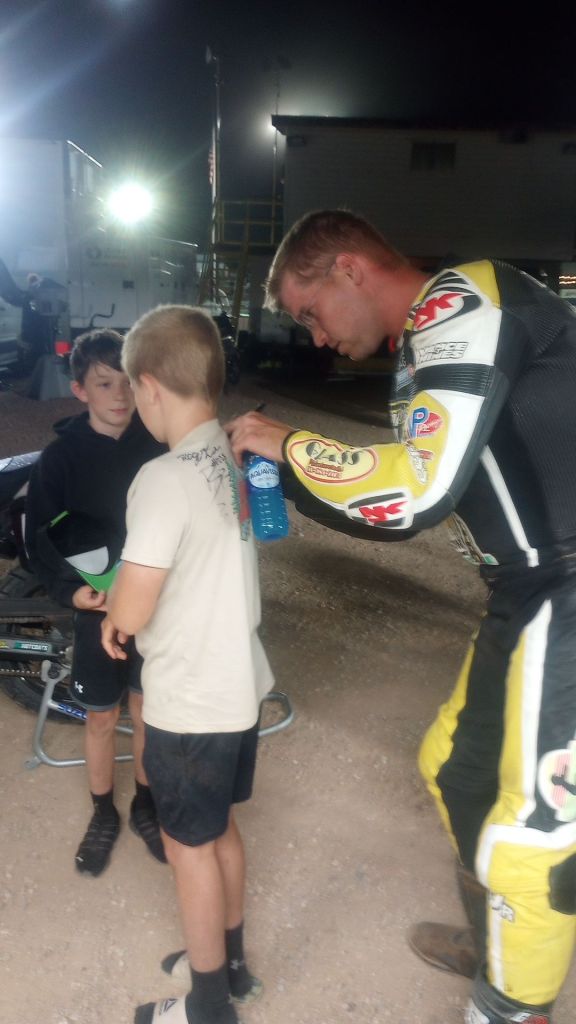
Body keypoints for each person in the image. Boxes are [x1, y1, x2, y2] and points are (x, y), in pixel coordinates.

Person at [224, 209, 576, 1024]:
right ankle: (501, 939)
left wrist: (291, 443)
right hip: (528, 591)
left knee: (532, 839)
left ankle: (512, 1004)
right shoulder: (419, 352)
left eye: (308, 311)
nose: (312, 336)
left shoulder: (465, 297)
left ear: (349, 269)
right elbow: (399, 508)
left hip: (567, 586)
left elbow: (419, 485)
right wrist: (296, 467)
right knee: (456, 766)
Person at [100, 305, 273, 1024]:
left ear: (148, 388)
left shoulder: (162, 478)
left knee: (189, 847)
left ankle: (206, 1008)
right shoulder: (234, 463)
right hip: (241, 686)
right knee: (220, 829)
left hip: (191, 702)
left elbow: (134, 610)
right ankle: (228, 967)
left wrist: (112, 615)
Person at [25, 328, 167, 877]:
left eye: (128, 381)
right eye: (104, 383)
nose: (119, 394)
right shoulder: (59, 460)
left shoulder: (157, 447)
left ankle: (146, 806)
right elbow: (41, 538)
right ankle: (103, 812)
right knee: (102, 717)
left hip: (154, 608)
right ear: (79, 389)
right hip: (97, 612)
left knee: (147, 710)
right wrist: (70, 591)